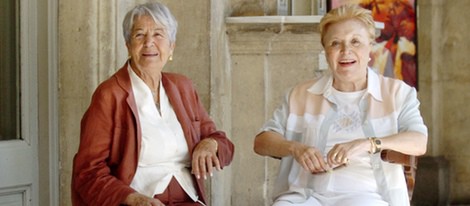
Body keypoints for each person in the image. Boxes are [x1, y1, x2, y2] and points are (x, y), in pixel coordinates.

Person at [253, 4, 427, 206]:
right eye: (336, 43)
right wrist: (295, 148)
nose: (346, 51)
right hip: (306, 195)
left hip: (369, 195)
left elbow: (418, 141)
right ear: (325, 50)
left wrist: (367, 143)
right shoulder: (300, 95)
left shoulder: (397, 93)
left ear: (370, 47)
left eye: (355, 42)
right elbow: (262, 141)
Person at [71, 2, 234, 206]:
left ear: (171, 46)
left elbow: (223, 143)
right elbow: (88, 171)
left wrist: (210, 144)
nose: (149, 43)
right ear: (128, 45)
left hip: (189, 200)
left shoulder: (182, 87)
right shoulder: (109, 95)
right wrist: (131, 198)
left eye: (158, 35)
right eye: (139, 35)